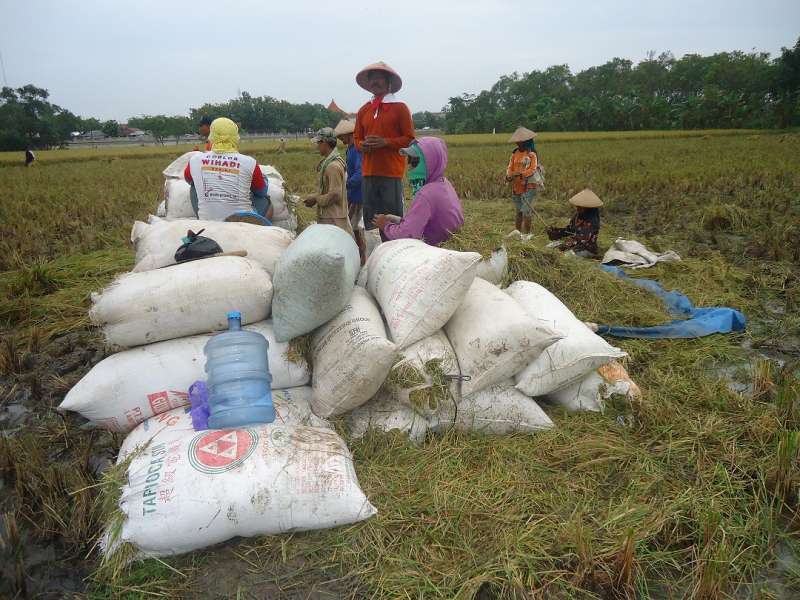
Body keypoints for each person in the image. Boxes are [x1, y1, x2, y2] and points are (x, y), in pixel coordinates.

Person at [354, 61, 415, 233]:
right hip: (368, 172)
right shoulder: (363, 110)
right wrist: (362, 146)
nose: (375, 82)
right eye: (372, 79)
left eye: (379, 78)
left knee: (391, 220)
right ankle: (375, 254)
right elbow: (357, 138)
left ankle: (393, 252)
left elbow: (410, 139)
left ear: (388, 82)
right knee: (371, 221)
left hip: (390, 172)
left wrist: (385, 142)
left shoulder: (400, 108)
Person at [372, 137, 464, 246]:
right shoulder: (444, 184)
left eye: (415, 162)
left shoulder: (426, 194)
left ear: (431, 162)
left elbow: (407, 234)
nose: (410, 168)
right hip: (450, 243)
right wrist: (400, 221)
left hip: (435, 250)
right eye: (410, 161)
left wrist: (385, 225)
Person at [183, 117, 271, 221]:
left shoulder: (195, 159)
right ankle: (261, 230)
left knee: (193, 186)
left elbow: (188, 179)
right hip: (241, 221)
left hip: (207, 221)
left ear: (212, 135)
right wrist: (264, 179)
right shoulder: (249, 162)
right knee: (268, 203)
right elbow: (261, 192)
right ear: (235, 136)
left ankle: (202, 217)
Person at [303, 127, 354, 236]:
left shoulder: (332, 167)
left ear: (325, 143)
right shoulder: (333, 161)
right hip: (333, 216)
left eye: (319, 143)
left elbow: (335, 194)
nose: (317, 146)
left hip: (333, 219)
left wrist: (316, 198)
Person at [335, 119, 367, 264]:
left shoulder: (357, 150)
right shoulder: (350, 150)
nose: (341, 140)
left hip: (359, 195)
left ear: (350, 135)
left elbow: (360, 173)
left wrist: (346, 184)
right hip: (353, 195)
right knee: (352, 226)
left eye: (342, 137)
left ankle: (362, 259)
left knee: (355, 227)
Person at [505, 126, 540, 241]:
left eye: (519, 141)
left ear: (525, 141)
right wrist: (509, 175)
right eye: (517, 141)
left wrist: (519, 174)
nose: (517, 143)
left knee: (526, 211)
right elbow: (510, 167)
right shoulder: (514, 153)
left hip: (528, 185)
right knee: (519, 211)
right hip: (517, 186)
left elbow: (532, 169)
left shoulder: (531, 154)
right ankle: (518, 233)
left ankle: (527, 234)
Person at [546, 189, 603, 258]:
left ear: (587, 208)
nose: (577, 208)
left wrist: (565, 245)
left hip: (586, 249)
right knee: (549, 247)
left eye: (580, 207)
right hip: (574, 245)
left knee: (565, 257)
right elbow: (569, 230)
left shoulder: (592, 221)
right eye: (577, 206)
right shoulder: (578, 216)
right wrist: (556, 231)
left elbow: (581, 239)